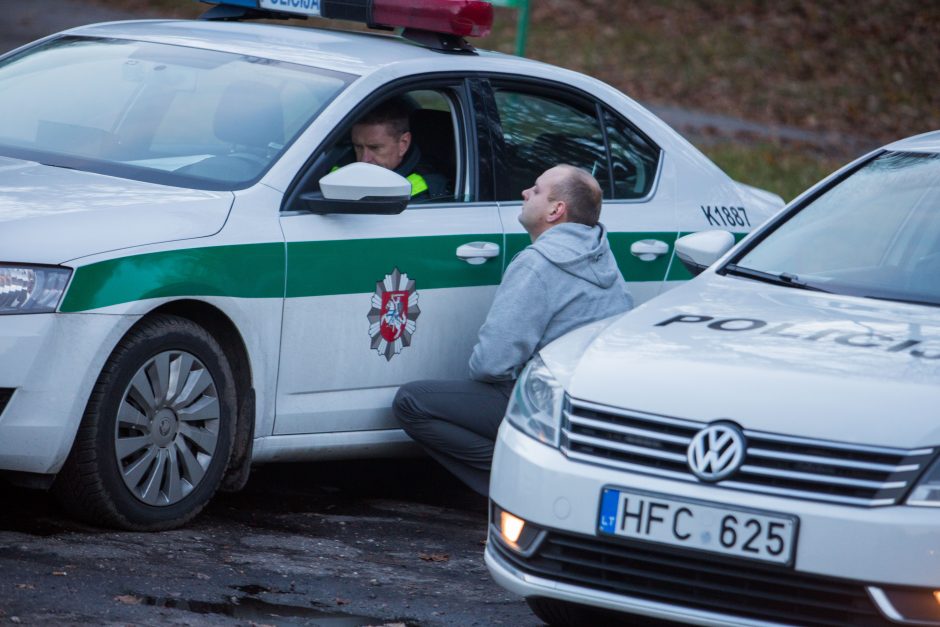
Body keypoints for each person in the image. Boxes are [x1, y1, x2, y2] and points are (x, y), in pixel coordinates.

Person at [393, 164, 634, 495]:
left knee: (411, 401)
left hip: (548, 403)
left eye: (535, 190)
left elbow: (490, 364)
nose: (525, 193)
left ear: (555, 210)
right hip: (597, 405)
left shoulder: (538, 263)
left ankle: (524, 484)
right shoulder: (600, 254)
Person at [349, 99, 448, 201]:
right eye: (358, 147)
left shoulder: (426, 194)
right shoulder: (341, 163)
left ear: (403, 144)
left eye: (375, 148)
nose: (364, 159)